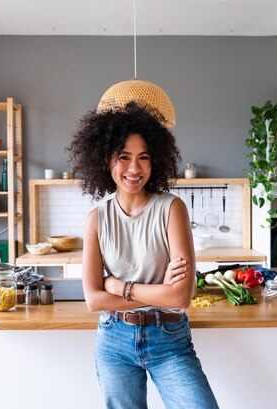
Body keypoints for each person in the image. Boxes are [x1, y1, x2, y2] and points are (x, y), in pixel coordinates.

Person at [68, 102, 219, 409]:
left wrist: (119, 287)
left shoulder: (171, 208)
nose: (134, 169)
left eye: (143, 158)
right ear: (105, 160)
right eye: (124, 157)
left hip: (169, 338)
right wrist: (160, 292)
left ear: (156, 161)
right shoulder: (96, 218)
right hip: (113, 339)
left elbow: (180, 298)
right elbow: (93, 300)